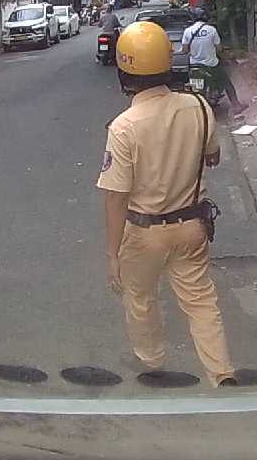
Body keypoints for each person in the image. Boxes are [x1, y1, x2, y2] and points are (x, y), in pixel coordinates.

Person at [96, 21, 237, 387]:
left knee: (140, 297)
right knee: (201, 300)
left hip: (144, 233)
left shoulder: (124, 127)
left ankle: (152, 361)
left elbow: (115, 195)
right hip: (192, 227)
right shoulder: (199, 107)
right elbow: (213, 156)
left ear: (124, 73)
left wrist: (112, 254)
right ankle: (221, 372)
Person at [180, 7, 245, 111]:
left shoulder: (187, 31)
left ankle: (198, 110)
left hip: (194, 66)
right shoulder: (212, 30)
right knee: (227, 83)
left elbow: (184, 50)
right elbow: (219, 49)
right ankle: (236, 106)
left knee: (195, 90)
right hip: (211, 65)